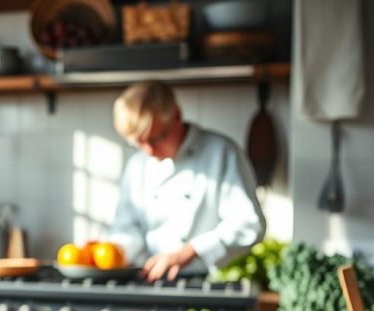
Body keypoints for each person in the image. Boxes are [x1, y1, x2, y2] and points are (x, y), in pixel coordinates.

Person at [109, 80, 266, 282]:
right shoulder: (137, 165)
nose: (149, 151)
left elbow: (249, 224)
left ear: (176, 115)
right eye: (139, 142)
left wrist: (191, 250)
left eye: (156, 138)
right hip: (145, 278)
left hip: (202, 281)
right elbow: (127, 227)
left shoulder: (221, 152)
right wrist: (114, 250)